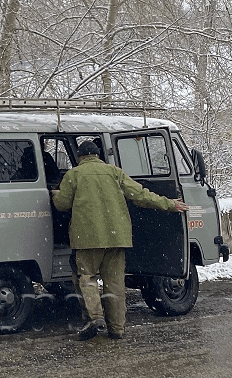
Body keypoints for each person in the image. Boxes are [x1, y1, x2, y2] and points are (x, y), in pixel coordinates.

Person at [51, 139, 190, 340]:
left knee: (87, 277)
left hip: (87, 238)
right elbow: (140, 194)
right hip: (117, 236)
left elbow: (62, 204)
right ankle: (117, 328)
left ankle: (95, 317)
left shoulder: (74, 174)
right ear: (97, 155)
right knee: (114, 282)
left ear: (81, 157)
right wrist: (169, 204)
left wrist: (55, 193)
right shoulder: (114, 172)